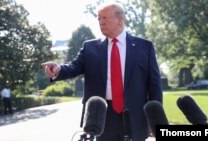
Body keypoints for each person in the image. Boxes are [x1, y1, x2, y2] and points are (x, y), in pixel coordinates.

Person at [41, 2, 163, 141]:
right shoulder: (90, 47)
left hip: (135, 115)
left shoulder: (144, 46)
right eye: (99, 18)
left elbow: (154, 85)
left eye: (105, 18)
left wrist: (155, 120)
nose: (101, 22)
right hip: (101, 116)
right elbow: (74, 67)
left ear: (120, 20)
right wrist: (59, 69)